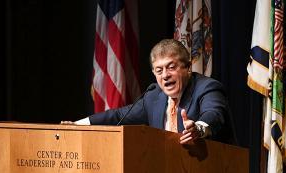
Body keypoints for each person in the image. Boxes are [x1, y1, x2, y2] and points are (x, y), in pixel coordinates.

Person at [63, 39, 233, 145]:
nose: (165, 75)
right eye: (159, 70)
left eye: (171, 67)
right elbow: (116, 116)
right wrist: (77, 125)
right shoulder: (154, 97)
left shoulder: (207, 88)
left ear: (187, 67)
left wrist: (198, 128)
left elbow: (214, 113)